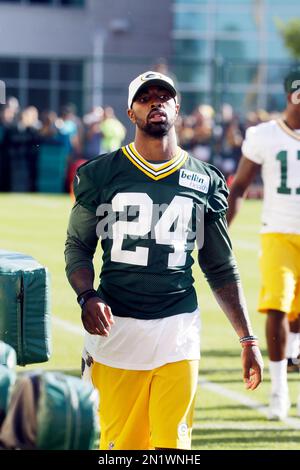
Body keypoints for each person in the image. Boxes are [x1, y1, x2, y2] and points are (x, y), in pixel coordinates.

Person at [65, 70, 263, 450]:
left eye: (164, 96)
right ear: (130, 112)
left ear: (177, 107)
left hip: (178, 328)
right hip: (115, 329)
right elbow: (77, 245)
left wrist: (247, 337)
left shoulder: (205, 180)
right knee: (120, 448)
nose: (155, 102)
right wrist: (87, 296)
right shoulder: (100, 173)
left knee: (173, 447)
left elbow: (219, 265)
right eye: (145, 97)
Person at [227, 67, 300, 421]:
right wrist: (221, 230)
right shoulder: (265, 135)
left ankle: (292, 359)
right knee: (277, 307)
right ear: (294, 95)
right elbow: (239, 185)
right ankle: (279, 391)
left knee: (296, 317)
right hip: (279, 232)